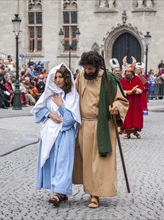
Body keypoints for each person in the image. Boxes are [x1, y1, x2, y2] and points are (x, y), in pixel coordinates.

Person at [73, 51, 129, 208]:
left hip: (102, 125)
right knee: (87, 161)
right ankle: (91, 191)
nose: (88, 71)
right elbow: (73, 96)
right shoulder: (81, 77)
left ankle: (96, 195)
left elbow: (121, 100)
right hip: (84, 125)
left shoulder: (109, 79)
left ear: (98, 67)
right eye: (86, 68)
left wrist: (116, 108)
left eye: (91, 68)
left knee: (100, 162)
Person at [30, 63, 81, 207]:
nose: (58, 80)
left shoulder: (72, 95)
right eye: (55, 77)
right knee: (52, 161)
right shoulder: (49, 93)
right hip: (49, 133)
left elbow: (71, 119)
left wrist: (60, 105)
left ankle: (58, 192)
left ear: (66, 78)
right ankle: (58, 191)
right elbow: (38, 112)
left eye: (61, 77)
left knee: (63, 162)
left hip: (64, 133)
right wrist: (50, 114)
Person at [120, 57, 144, 139]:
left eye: (129, 72)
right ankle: (127, 133)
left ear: (132, 72)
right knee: (127, 117)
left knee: (135, 116)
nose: (128, 73)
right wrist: (127, 92)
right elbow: (120, 90)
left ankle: (135, 131)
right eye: (126, 72)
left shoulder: (137, 79)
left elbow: (141, 88)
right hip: (126, 102)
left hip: (135, 102)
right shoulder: (122, 80)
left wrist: (136, 90)